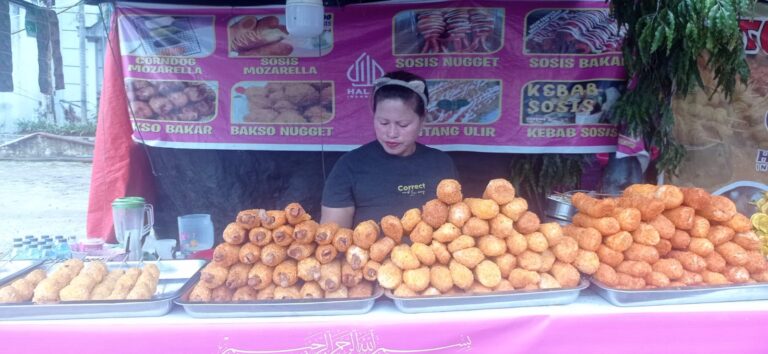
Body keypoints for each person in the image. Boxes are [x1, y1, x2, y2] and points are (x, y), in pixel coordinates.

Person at [320, 70, 458, 228]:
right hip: (366, 253)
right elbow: (333, 239)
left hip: (428, 253)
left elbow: (455, 227)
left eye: (403, 124)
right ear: (373, 114)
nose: (391, 133)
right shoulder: (349, 166)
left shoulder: (441, 164)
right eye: (383, 123)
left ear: (423, 119)